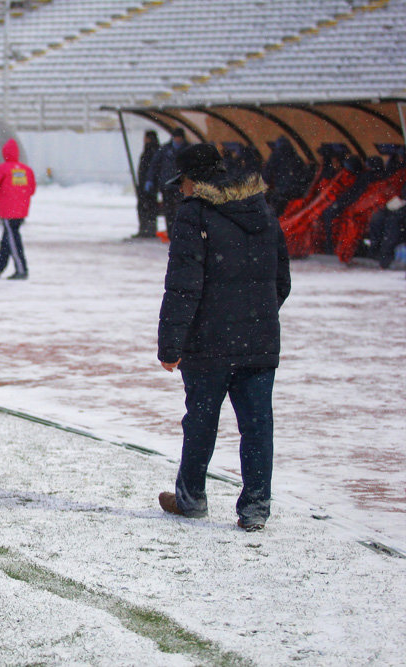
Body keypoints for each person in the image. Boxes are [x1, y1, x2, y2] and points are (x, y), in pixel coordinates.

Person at [156, 143, 291, 533]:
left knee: (200, 421)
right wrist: (256, 314)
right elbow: (281, 279)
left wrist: (171, 344)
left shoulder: (194, 214)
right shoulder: (263, 209)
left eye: (181, 182)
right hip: (259, 338)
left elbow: (183, 286)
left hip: (209, 340)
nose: (179, 189)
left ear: (193, 181)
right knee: (257, 424)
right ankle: (255, 507)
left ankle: (191, 499)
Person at [0, 138, 36, 280]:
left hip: (8, 210)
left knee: (13, 239)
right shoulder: (26, 170)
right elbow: (31, 189)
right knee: (7, 238)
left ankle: (21, 269)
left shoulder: (3, 169)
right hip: (21, 210)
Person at [145, 127, 190, 235]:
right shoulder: (165, 149)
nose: (178, 140)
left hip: (181, 186)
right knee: (169, 210)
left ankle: (180, 232)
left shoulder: (188, 150)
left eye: (179, 138)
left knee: (180, 210)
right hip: (167, 186)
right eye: (176, 137)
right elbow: (154, 165)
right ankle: (171, 232)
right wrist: (150, 179)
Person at [262, 136, 308, 216]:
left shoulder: (275, 156)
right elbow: (304, 176)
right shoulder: (297, 158)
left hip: (282, 193)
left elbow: (266, 177)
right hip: (298, 194)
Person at [368, 188, 406, 269]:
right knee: (378, 219)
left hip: (399, 214)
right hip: (398, 210)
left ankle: (385, 258)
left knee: (393, 225)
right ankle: (380, 255)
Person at [134, 130, 160, 238]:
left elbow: (152, 169)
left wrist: (150, 182)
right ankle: (146, 229)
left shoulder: (152, 151)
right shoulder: (151, 150)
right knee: (145, 207)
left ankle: (148, 229)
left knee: (148, 207)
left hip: (149, 186)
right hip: (146, 185)